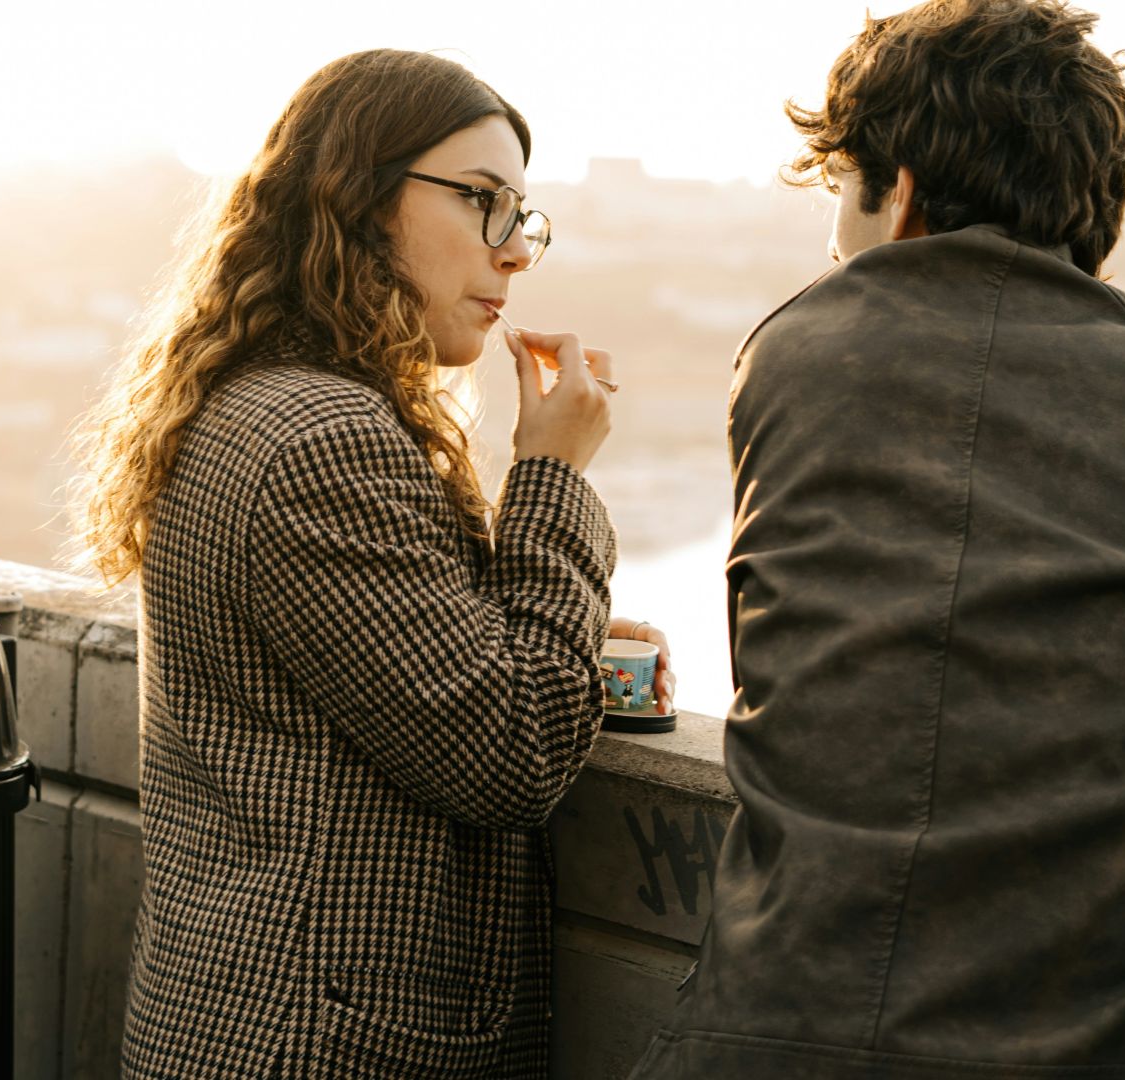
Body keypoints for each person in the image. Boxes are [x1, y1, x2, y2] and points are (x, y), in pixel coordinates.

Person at [628, 2, 1125, 1077]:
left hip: (772, 1030)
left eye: (840, 196)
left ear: (898, 194)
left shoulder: (789, 361)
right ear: (1099, 215)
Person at [67, 49, 672, 1078]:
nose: (514, 253)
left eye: (522, 215)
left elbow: (373, 653)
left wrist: (538, 621)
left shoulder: (257, 399)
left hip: (249, 1020)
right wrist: (553, 473)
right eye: (482, 200)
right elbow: (511, 752)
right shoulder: (326, 438)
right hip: (321, 1042)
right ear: (358, 196)